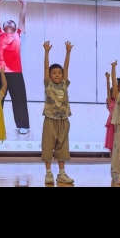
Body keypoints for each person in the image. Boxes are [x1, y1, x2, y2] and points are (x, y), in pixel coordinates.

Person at [0, 0, 30, 135]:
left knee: (19, 99)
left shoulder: (18, 34)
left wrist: (24, 4)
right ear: (3, 27)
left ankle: (22, 125)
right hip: (0, 72)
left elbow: (22, 19)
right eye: (6, 23)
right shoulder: (0, 34)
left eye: (11, 23)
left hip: (16, 72)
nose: (9, 23)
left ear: (15, 28)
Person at [42, 41, 74, 185]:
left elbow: (66, 67)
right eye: (54, 73)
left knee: (62, 147)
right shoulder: (48, 83)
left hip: (63, 119)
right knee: (48, 146)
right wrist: (46, 52)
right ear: (49, 75)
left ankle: (61, 173)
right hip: (50, 119)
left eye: (59, 73)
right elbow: (46, 67)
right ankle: (48, 173)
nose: (57, 75)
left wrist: (68, 52)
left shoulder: (64, 83)